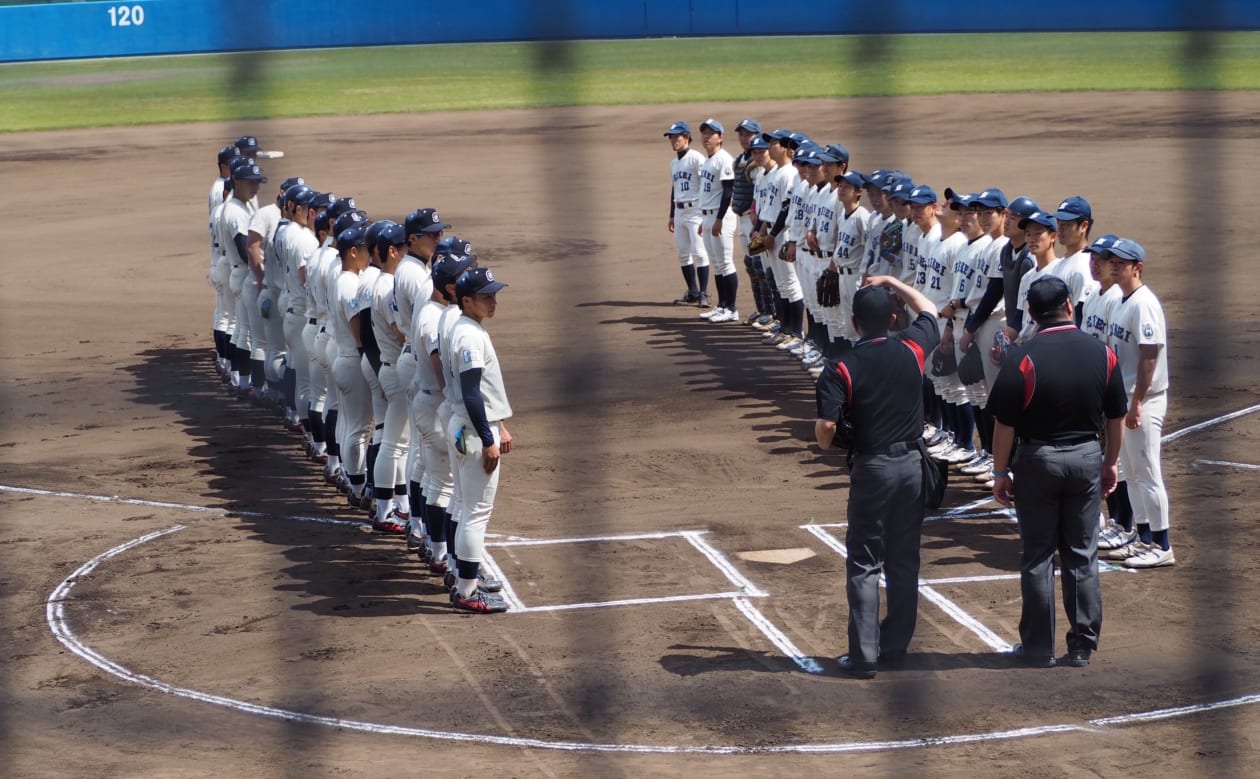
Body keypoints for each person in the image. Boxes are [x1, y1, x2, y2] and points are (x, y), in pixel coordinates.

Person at [987, 276, 1127, 668]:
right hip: (1085, 456)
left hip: (1038, 461)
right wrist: (1110, 461)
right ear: (1069, 304)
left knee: (1038, 556)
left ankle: (1037, 647)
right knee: (1082, 554)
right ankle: (1081, 646)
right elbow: (1115, 416)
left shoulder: (1023, 356)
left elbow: (1005, 423)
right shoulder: (1101, 352)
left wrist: (1000, 471)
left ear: (1030, 313)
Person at [814, 274, 940, 679]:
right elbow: (930, 309)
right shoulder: (912, 348)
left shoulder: (841, 368)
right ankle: (896, 648)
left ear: (854, 323)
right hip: (913, 467)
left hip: (874, 469)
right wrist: (893, 281)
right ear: (892, 318)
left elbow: (826, 430)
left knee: (865, 563)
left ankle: (865, 656)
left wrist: (828, 444)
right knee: (904, 561)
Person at [446, 267, 515, 613]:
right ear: (467, 300)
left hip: (463, 427)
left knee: (461, 504)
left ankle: (458, 575)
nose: (493, 302)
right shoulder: (469, 336)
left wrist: (496, 425)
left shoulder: (463, 327)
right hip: (473, 431)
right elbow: (472, 394)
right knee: (475, 512)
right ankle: (467, 592)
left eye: (494, 295)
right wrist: (489, 437)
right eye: (486, 297)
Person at [1103, 238, 1175, 569]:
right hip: (1128, 398)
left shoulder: (1143, 304)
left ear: (1137, 267)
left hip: (1144, 401)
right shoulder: (1120, 300)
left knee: (1147, 472)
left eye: (1121, 261)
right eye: (1111, 260)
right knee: (1131, 473)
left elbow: (1150, 355)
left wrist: (1137, 403)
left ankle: (1162, 545)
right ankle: (1143, 538)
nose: (1114, 265)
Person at [695, 118, 739, 322]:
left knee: (725, 263)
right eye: (704, 133)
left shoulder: (724, 159)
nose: (706, 137)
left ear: (720, 137)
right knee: (717, 264)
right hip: (708, 216)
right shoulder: (708, 160)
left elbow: (728, 192)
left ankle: (731, 308)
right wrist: (705, 221)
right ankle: (721, 306)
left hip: (721, 216)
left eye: (711, 133)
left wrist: (719, 219)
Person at [664, 121, 711, 306]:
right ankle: (693, 291)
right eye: (671, 137)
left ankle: (704, 294)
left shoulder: (697, 158)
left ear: (687, 138)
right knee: (683, 253)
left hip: (695, 211)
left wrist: (704, 213)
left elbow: (707, 185)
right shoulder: (673, 163)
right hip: (679, 212)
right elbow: (674, 190)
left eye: (677, 137)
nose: (674, 140)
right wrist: (671, 215)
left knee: (699, 252)